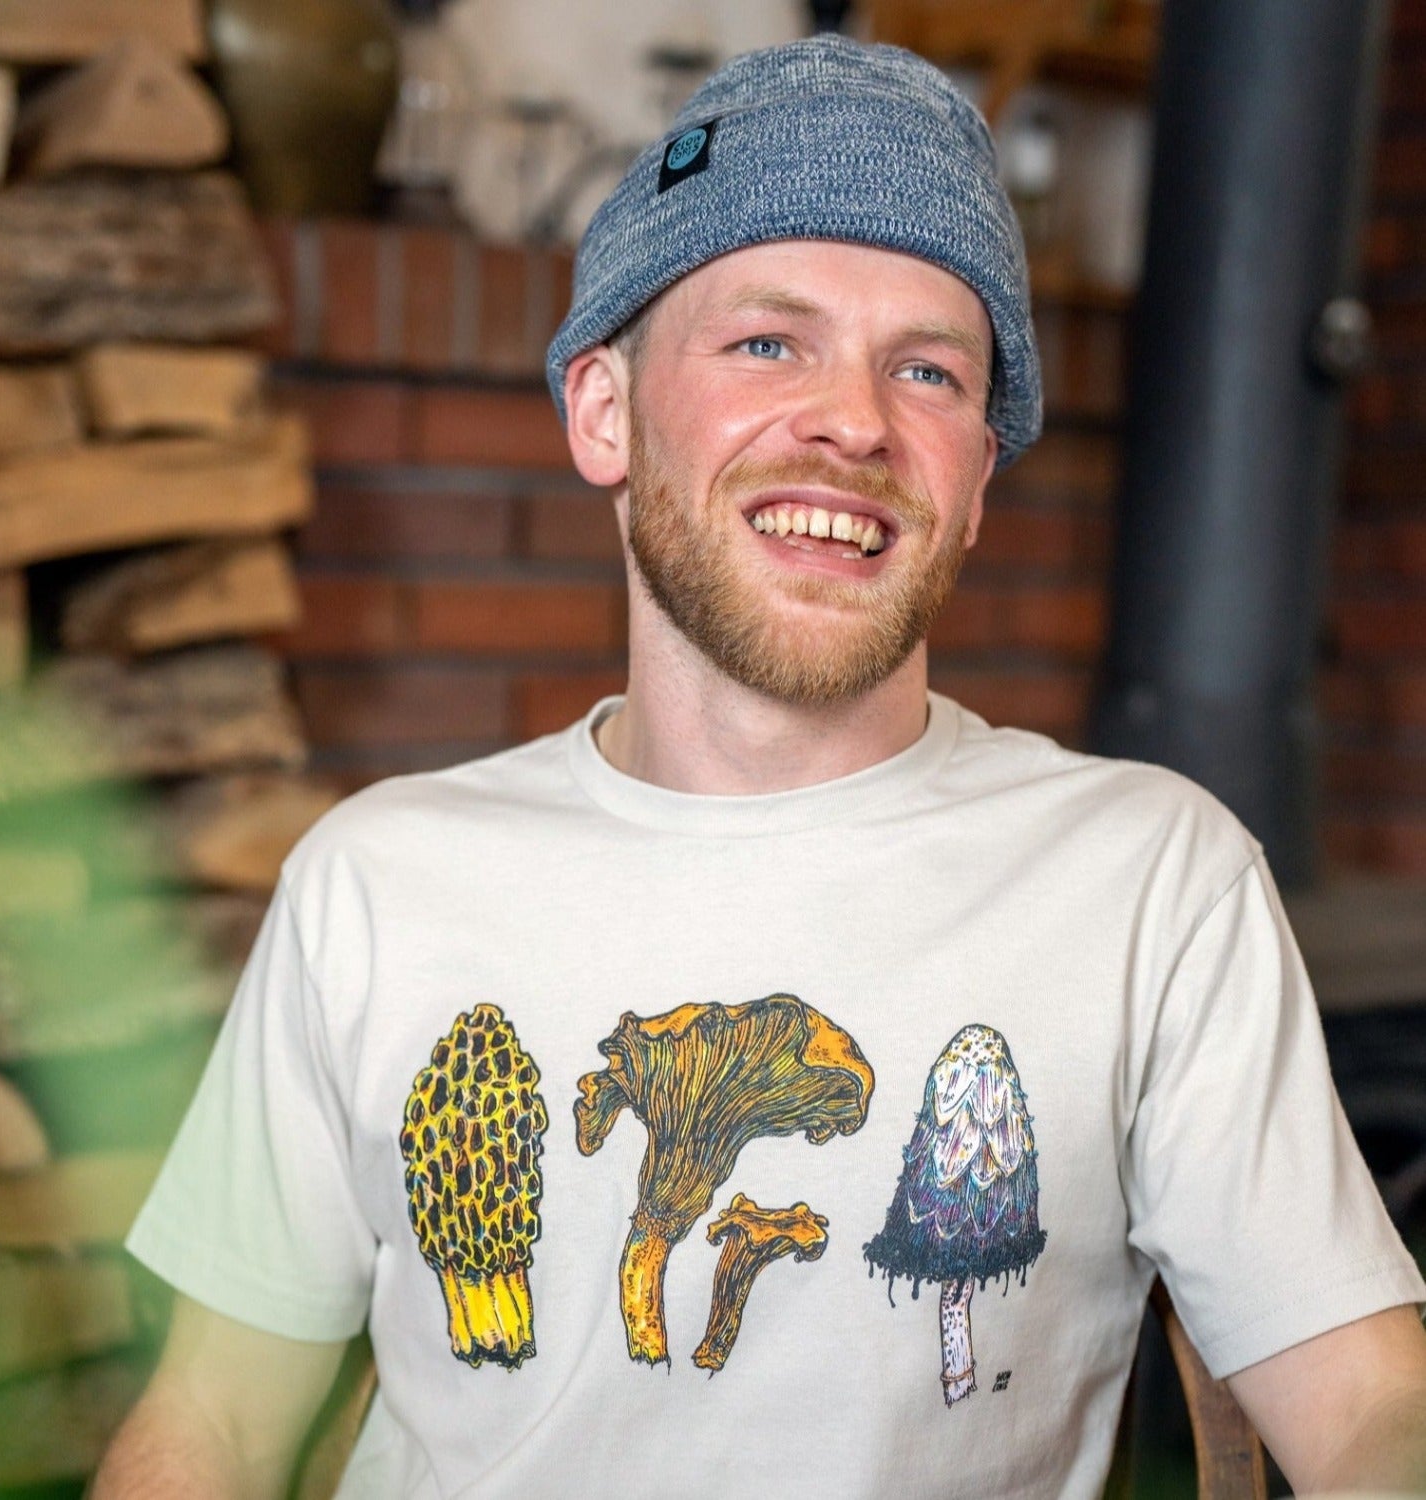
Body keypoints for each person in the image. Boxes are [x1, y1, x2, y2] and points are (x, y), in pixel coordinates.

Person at [93, 34, 1426, 1500]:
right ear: (605, 413)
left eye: (927, 368)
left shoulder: (1151, 878)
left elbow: (1369, 1412)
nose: (854, 420)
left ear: (978, 476)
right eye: (766, 342)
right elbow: (207, 1425)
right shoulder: (378, 879)